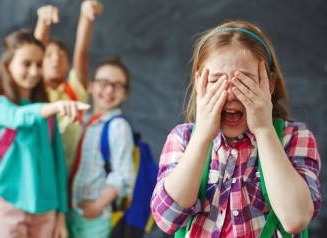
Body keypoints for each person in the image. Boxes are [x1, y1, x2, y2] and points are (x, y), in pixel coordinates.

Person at [151, 20, 321, 237]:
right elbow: (167, 219)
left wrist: (263, 129)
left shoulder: (293, 137)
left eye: (245, 82)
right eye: (216, 81)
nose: (230, 93)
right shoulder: (182, 138)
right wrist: (202, 137)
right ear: (199, 84)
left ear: (269, 85)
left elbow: (295, 219)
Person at [0, 29, 89, 238]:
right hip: (9, 206)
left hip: (46, 210)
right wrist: (55, 107)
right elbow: (19, 117)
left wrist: (61, 213)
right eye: (26, 63)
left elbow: (58, 164)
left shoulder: (46, 112)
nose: (33, 71)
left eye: (39, 65)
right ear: (8, 64)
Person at [69, 57, 134, 238]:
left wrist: (97, 207)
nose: (109, 90)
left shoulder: (118, 126)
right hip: (72, 211)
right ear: (91, 85)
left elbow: (122, 175)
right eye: (103, 83)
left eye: (117, 85)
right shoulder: (85, 120)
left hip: (94, 217)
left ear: (125, 94)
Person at [34, 0, 103, 168]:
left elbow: (82, 50)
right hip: (37, 170)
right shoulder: (34, 91)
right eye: (49, 55)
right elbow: (33, 53)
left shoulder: (74, 89)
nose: (56, 59)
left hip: (68, 176)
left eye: (62, 55)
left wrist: (87, 15)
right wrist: (43, 23)